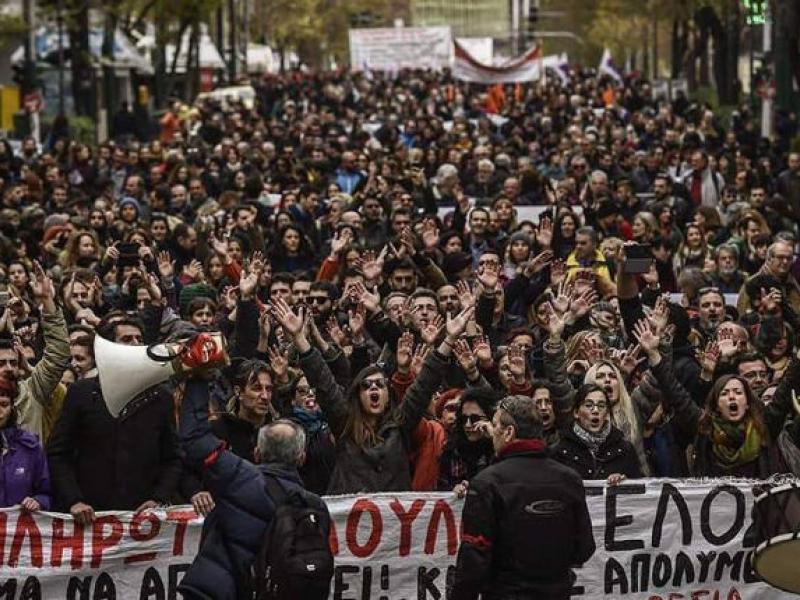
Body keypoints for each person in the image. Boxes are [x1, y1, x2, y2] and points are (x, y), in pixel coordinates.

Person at [179, 377, 331, 599]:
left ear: (257, 453)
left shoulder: (238, 478)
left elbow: (194, 439)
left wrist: (198, 376)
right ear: (301, 458)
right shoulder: (316, 507)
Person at [451, 395, 596, 600]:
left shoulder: (487, 483)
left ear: (509, 432)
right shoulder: (569, 479)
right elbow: (584, 548)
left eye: (495, 426)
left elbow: (473, 562)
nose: (492, 434)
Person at [47, 317, 182, 520]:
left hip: (141, 520)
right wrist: (73, 500)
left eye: (139, 339)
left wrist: (158, 498)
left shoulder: (161, 398)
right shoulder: (80, 393)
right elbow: (59, 454)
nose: (136, 344)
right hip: (89, 517)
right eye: (127, 339)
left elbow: (172, 458)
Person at [0, 377, 51, 511]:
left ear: (12, 407)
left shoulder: (30, 447)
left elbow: (48, 492)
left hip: (19, 529)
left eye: (4, 405)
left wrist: (39, 501)